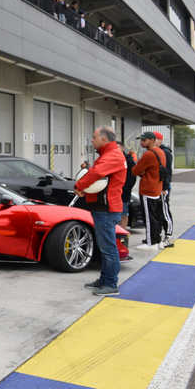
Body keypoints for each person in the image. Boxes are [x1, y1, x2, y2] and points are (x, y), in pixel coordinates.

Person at [75, 127, 126, 297]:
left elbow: (97, 173)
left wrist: (79, 186)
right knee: (105, 247)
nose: (92, 140)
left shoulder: (113, 155)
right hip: (103, 207)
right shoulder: (108, 154)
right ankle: (104, 280)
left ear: (104, 139)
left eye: (94, 137)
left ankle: (111, 284)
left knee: (108, 248)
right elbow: (97, 175)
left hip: (107, 209)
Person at [133, 132, 167, 249]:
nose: (142, 142)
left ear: (152, 140)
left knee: (148, 218)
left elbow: (135, 170)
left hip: (148, 190)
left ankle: (150, 243)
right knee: (155, 217)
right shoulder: (160, 152)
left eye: (144, 140)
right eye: (141, 140)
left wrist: (141, 171)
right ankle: (156, 240)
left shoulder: (148, 154)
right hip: (157, 188)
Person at [154, 131, 174, 243]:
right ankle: (157, 234)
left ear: (160, 140)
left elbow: (167, 171)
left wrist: (165, 187)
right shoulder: (154, 151)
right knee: (157, 211)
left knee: (164, 209)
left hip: (163, 187)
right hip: (156, 186)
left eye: (155, 139)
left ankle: (168, 233)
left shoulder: (165, 152)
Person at [119, 144, 138, 229]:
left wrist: (126, 188)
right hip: (113, 192)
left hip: (124, 192)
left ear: (122, 148)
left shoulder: (129, 160)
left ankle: (123, 234)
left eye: (117, 148)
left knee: (123, 213)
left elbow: (133, 177)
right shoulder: (111, 159)